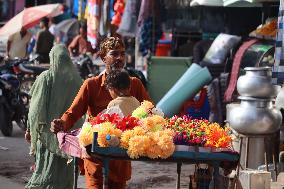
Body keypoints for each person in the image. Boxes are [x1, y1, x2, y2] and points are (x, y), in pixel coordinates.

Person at [51, 37, 151, 189]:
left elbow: (150, 111)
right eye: (114, 54)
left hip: (121, 157)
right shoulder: (91, 85)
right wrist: (61, 123)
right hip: (95, 155)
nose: (120, 58)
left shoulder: (135, 84)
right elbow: (72, 113)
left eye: (122, 54)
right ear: (103, 57)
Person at [25, 44, 83, 189]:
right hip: (69, 138)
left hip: (47, 136)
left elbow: (35, 110)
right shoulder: (77, 81)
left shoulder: (46, 77)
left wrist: (29, 129)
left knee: (45, 172)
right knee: (65, 175)